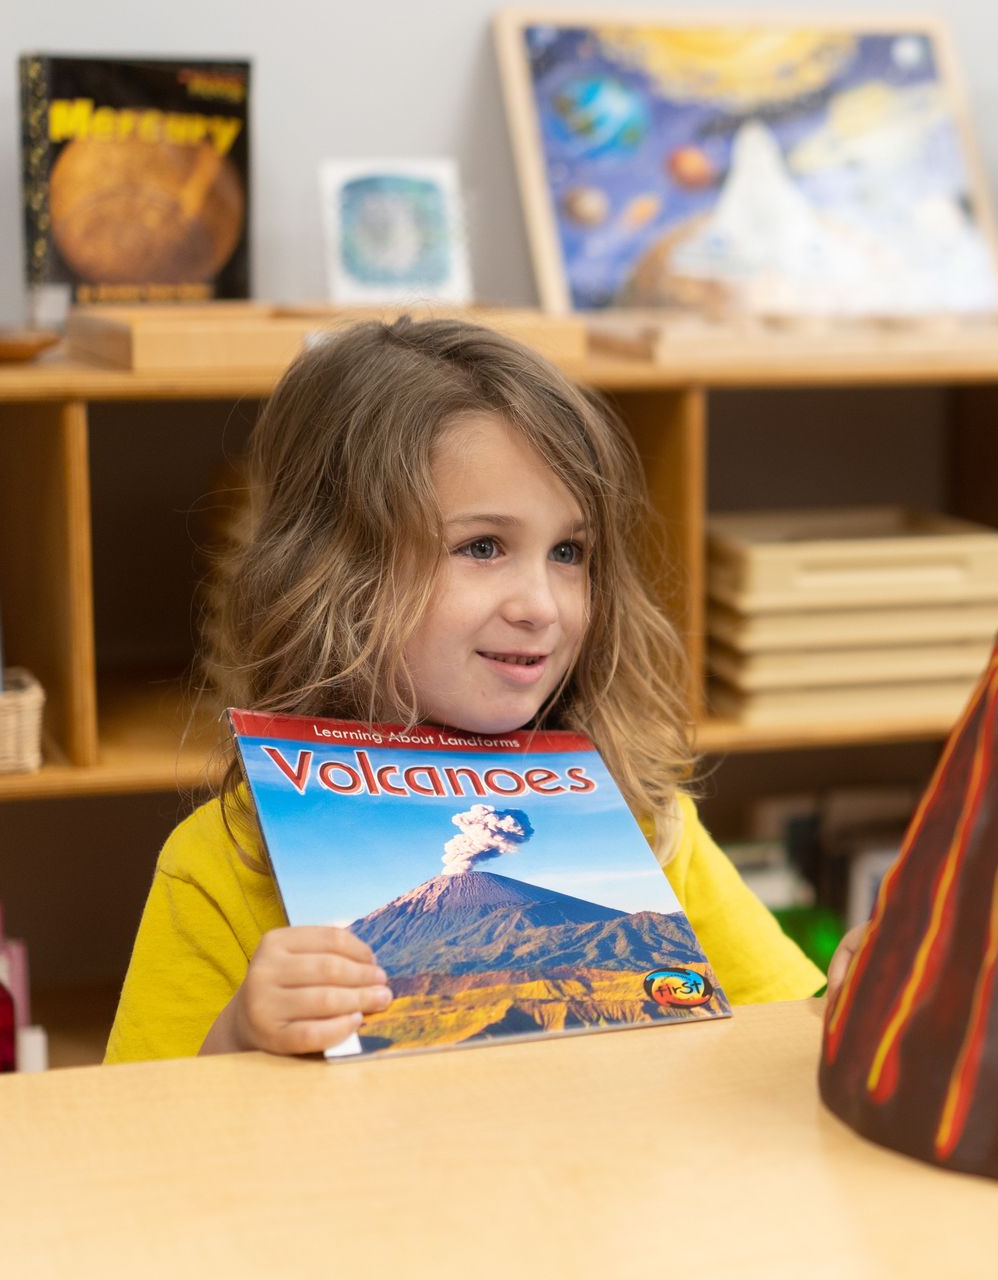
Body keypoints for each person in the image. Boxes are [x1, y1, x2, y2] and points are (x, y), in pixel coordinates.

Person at [106, 319, 824, 1062]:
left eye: (569, 552)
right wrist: (235, 1039)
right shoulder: (225, 862)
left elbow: (796, 1035)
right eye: (483, 547)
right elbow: (135, 1141)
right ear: (336, 572)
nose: (541, 605)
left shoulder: (648, 824)